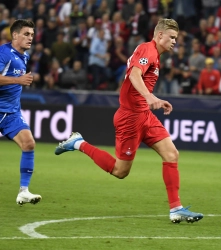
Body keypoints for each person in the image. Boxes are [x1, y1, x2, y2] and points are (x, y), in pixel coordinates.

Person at [55, 18, 203, 224]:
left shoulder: (155, 56)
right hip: (130, 118)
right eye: (172, 37)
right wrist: (151, 98)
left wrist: (153, 100)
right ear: (159, 35)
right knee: (120, 171)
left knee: (171, 154)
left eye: (176, 38)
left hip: (144, 115)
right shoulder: (148, 49)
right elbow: (134, 75)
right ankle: (78, 143)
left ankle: (176, 208)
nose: (174, 42)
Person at [0, 19, 42, 206]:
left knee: (29, 143)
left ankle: (23, 192)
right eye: (26, 34)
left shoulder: (23, 57)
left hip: (11, 113)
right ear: (14, 35)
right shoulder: (4, 53)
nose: (30, 38)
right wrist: (18, 80)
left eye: (32, 35)